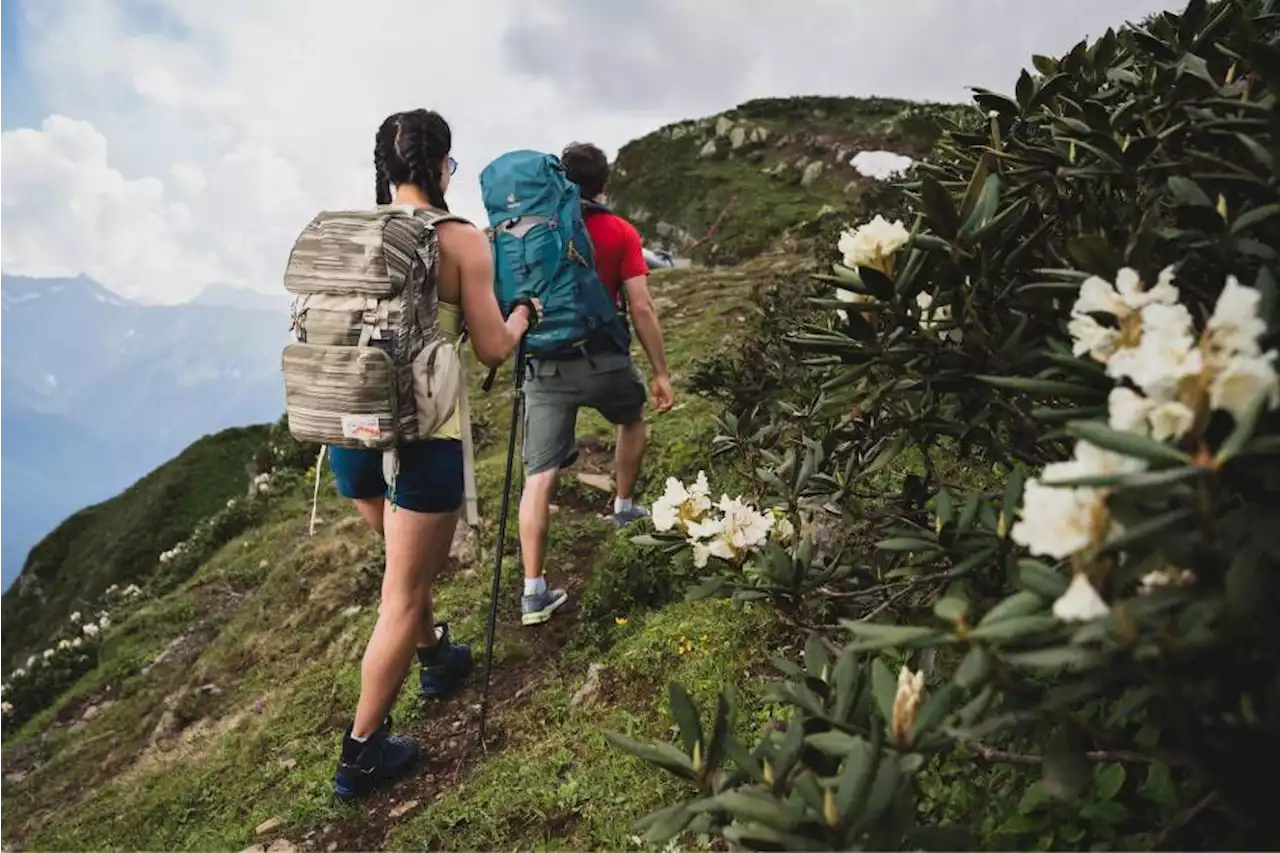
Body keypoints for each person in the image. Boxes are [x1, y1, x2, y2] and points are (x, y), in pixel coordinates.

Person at [329, 108, 540, 800]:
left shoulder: (352, 231)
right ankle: (361, 753)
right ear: (443, 164)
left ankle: (435, 657)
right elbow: (490, 349)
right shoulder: (461, 242)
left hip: (349, 432)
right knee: (405, 590)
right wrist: (523, 315)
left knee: (403, 572)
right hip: (424, 437)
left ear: (384, 169)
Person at [514, 141, 674, 628]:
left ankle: (533, 591)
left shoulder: (530, 232)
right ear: (604, 184)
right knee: (633, 419)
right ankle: (624, 506)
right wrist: (662, 371)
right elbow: (641, 307)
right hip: (605, 361)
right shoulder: (619, 231)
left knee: (539, 477)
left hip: (546, 369)